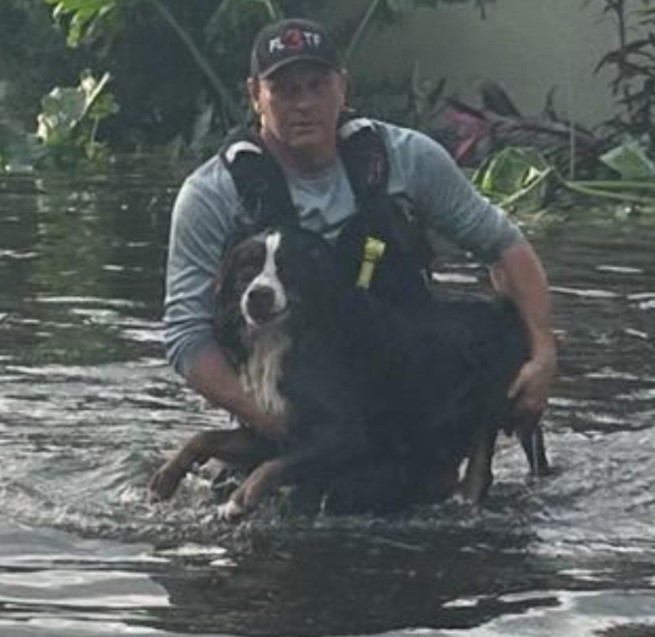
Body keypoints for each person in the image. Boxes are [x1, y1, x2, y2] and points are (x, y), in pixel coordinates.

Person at [163, 17, 557, 446]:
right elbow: (187, 336)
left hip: (403, 379)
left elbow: (505, 247)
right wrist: (278, 423)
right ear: (255, 95)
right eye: (285, 90)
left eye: (317, 85)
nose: (304, 104)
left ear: (343, 87)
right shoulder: (210, 195)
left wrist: (542, 354)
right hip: (282, 399)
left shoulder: (409, 158)